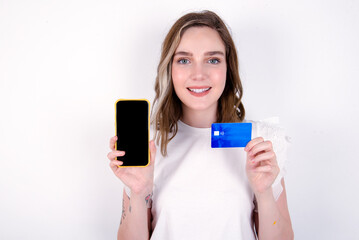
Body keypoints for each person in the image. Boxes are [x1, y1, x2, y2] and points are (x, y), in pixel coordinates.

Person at [107, 10, 294, 240]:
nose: (198, 74)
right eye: (184, 60)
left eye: (212, 60)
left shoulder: (261, 141)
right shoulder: (148, 145)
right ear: (170, 69)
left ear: (228, 68)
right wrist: (139, 192)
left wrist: (264, 193)